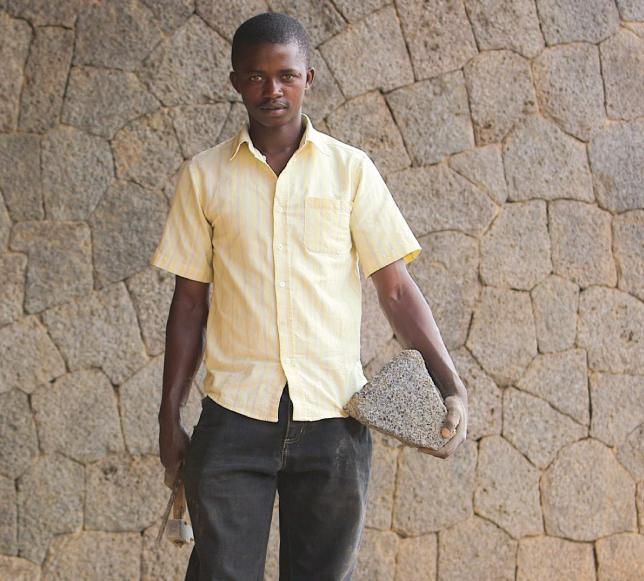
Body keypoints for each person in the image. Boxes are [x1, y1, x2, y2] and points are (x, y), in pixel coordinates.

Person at [151, 12, 468, 581]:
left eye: (286, 75)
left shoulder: (351, 172)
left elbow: (395, 288)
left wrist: (451, 384)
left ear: (308, 79)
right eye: (255, 77)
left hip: (335, 423)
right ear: (235, 82)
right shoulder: (203, 177)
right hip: (233, 421)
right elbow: (189, 305)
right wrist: (170, 411)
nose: (272, 90)